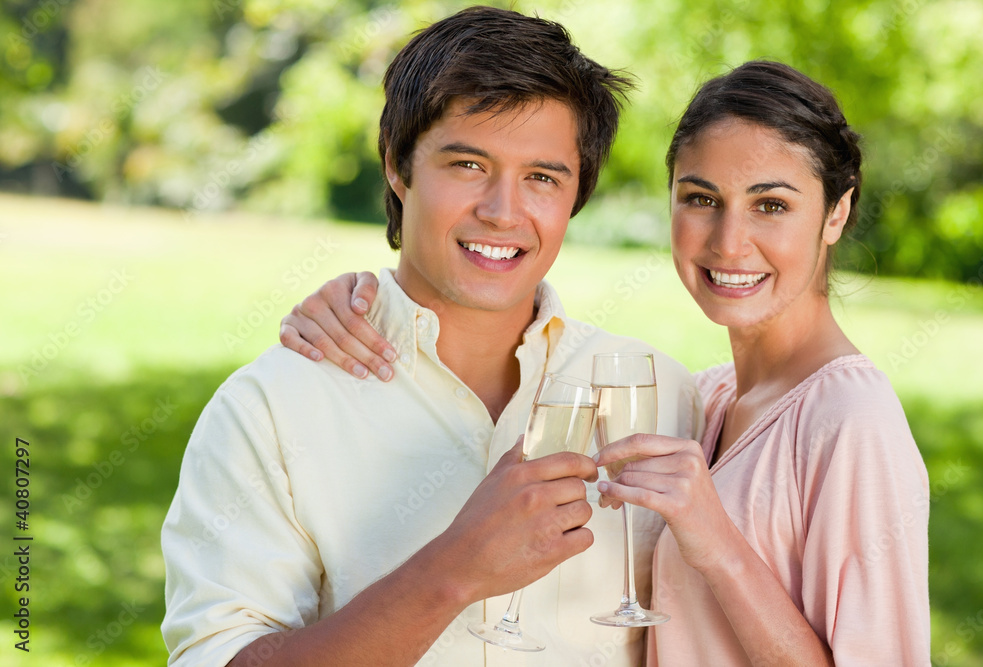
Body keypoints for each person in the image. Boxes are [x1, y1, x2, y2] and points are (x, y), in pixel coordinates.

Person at [278, 61, 931, 664]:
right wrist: (369, 300)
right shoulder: (701, 401)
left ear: (836, 212)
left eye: (772, 205)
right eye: (701, 198)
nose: (729, 242)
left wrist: (719, 546)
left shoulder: (850, 419)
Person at [161, 6, 701, 667]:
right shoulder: (271, 409)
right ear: (397, 165)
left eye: (541, 177)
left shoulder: (665, 397)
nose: (502, 211)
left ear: (576, 193)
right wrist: (455, 570)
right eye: (468, 164)